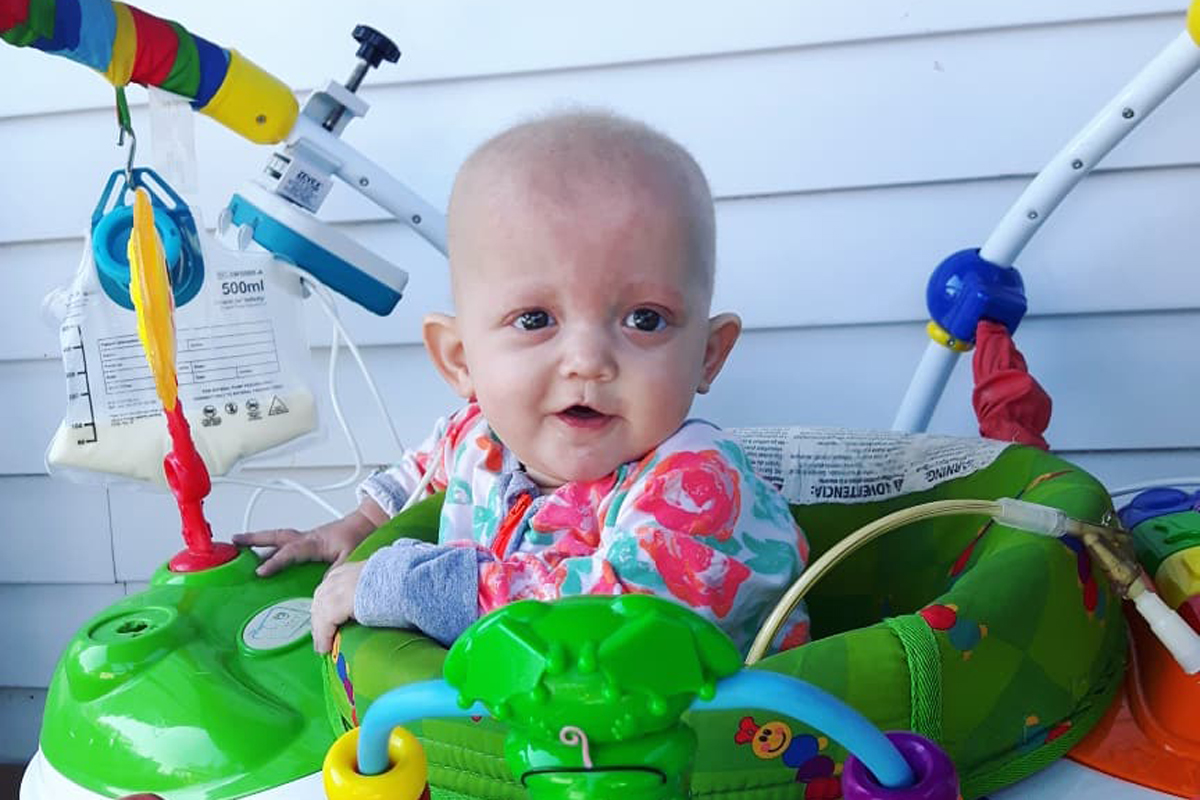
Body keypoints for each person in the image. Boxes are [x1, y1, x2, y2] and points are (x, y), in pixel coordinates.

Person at [234, 110, 810, 656]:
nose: (587, 361)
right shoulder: (478, 436)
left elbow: (619, 619)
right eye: (535, 320)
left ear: (707, 355)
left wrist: (414, 586)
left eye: (645, 319)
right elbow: (420, 475)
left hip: (707, 725)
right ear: (460, 360)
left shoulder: (700, 484)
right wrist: (356, 529)